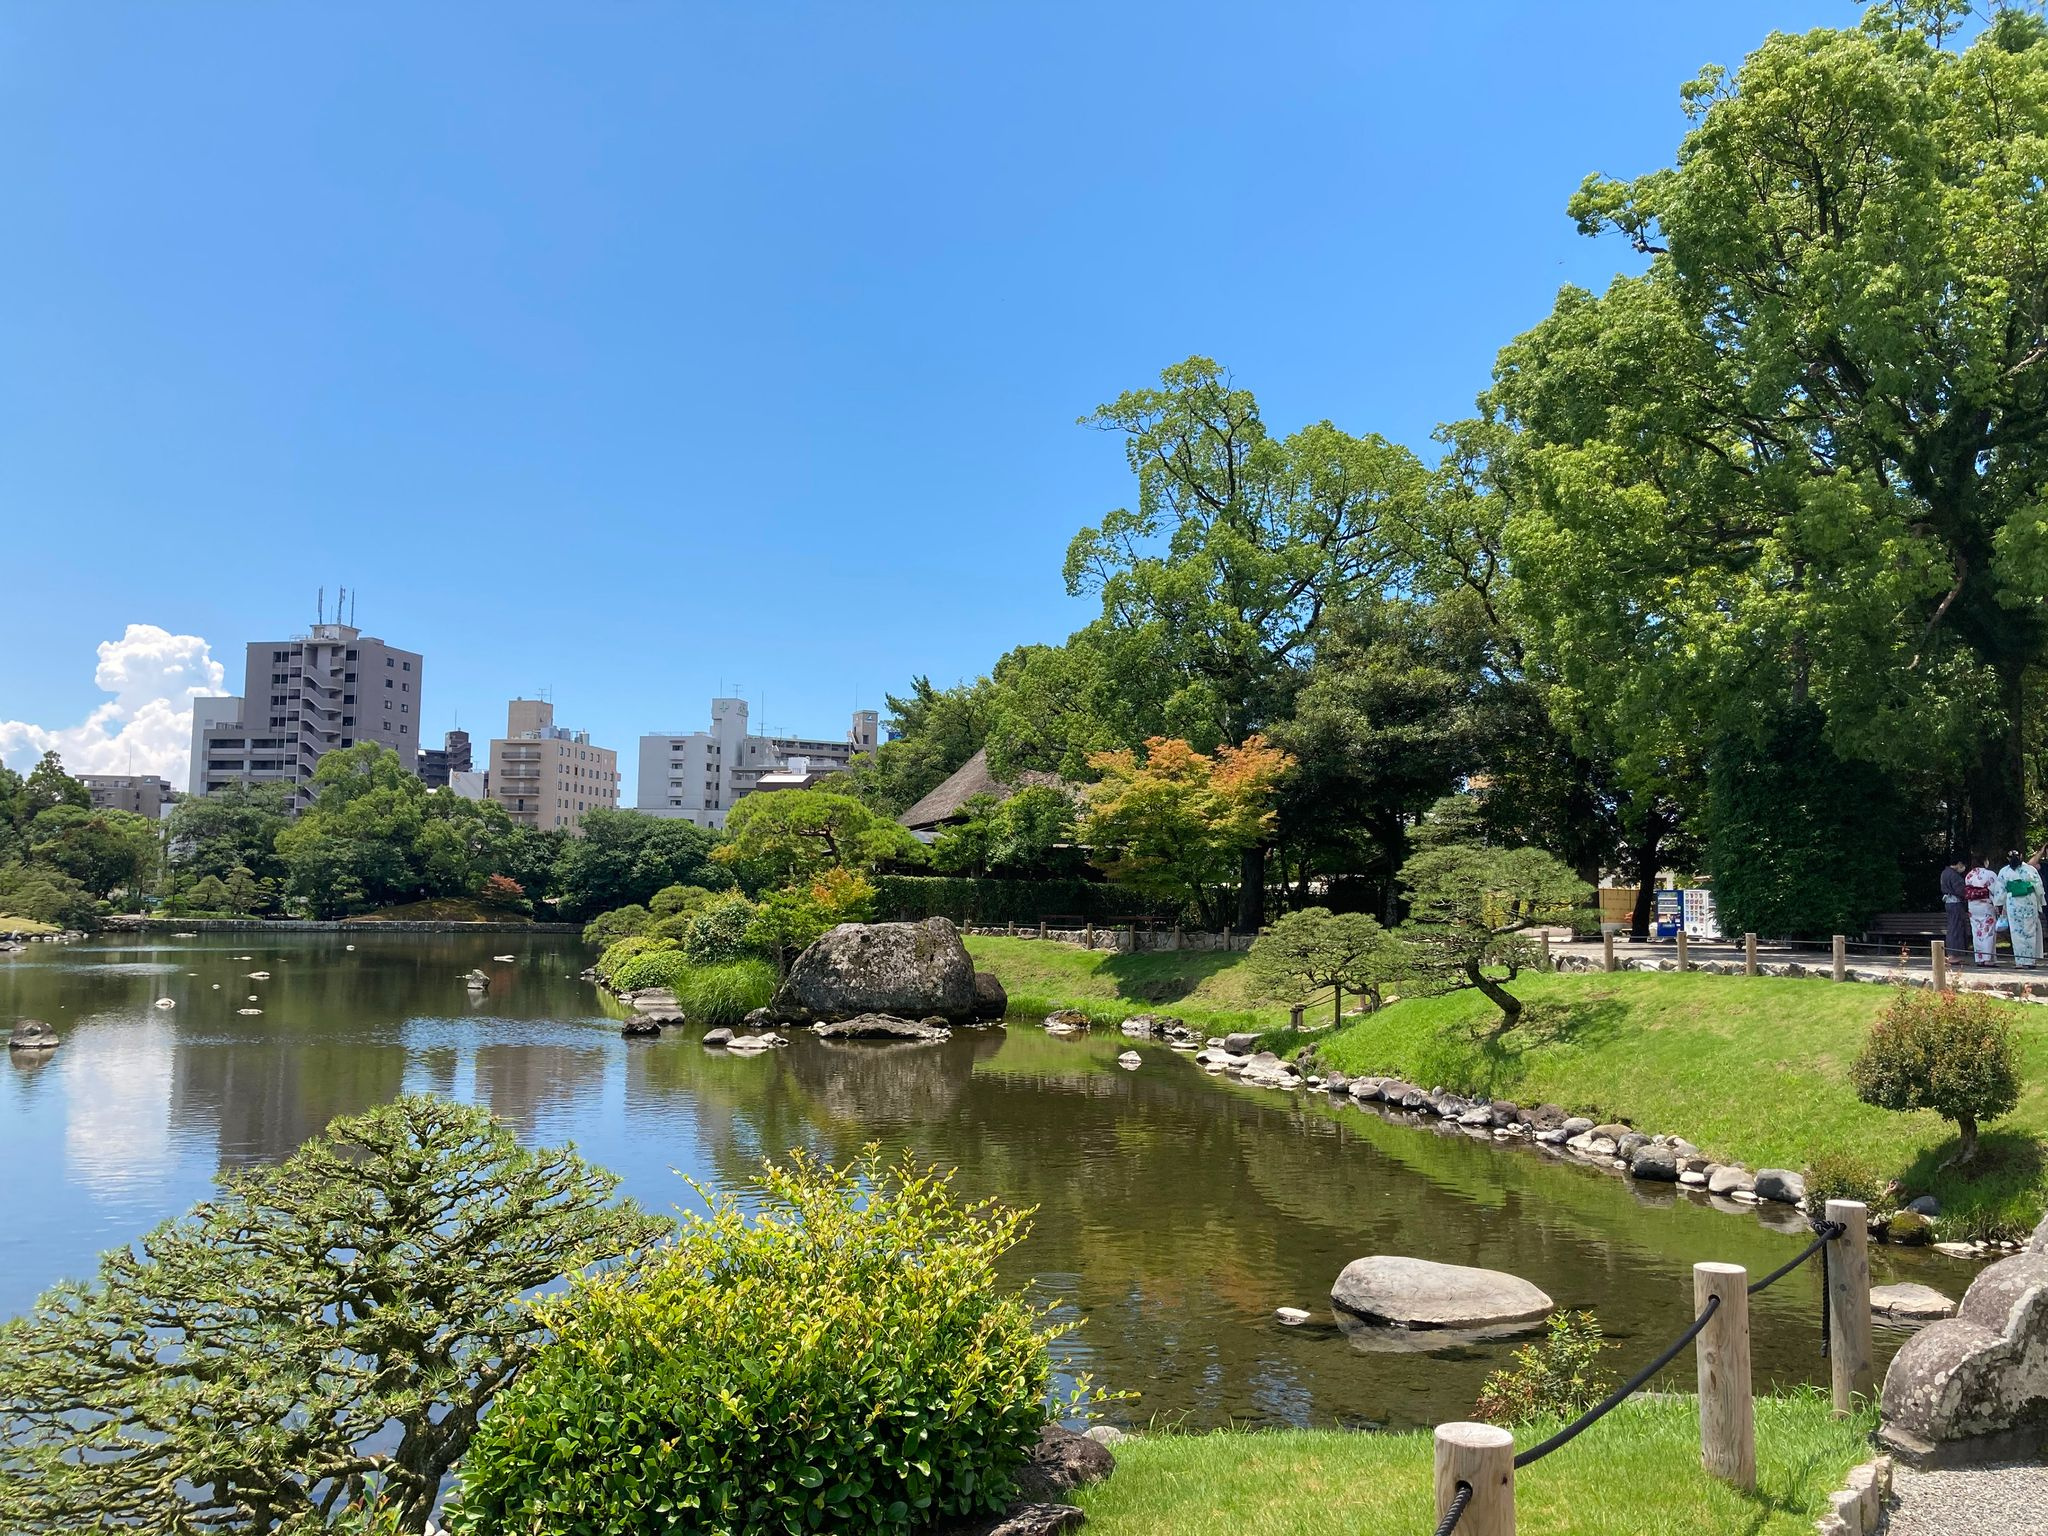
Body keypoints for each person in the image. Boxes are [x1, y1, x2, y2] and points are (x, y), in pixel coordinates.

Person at [2002, 848, 2045, 969]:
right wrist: (2041, 902)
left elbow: (2000, 890)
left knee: (2016, 932)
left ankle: (2020, 961)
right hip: (2029, 901)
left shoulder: (2004, 871)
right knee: (2030, 931)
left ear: (2008, 858)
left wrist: (2000, 904)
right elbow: (2039, 887)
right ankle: (2030, 961)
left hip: (2013, 903)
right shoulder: (2030, 870)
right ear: (2021, 856)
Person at [1966, 854, 2002, 967]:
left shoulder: (1969, 875)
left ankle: (1979, 958)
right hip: (1986, 905)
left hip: (1973, 906)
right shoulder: (1990, 874)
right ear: (1985, 861)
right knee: (1988, 931)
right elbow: (1995, 890)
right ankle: (1988, 959)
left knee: (1976, 931)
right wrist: (1998, 905)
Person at [1940, 854, 1970, 961]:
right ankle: (1953, 955)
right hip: (1956, 903)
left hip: (1949, 902)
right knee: (1956, 928)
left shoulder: (1945, 873)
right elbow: (1960, 890)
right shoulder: (1954, 875)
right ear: (1959, 863)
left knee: (1953, 927)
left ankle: (1953, 954)